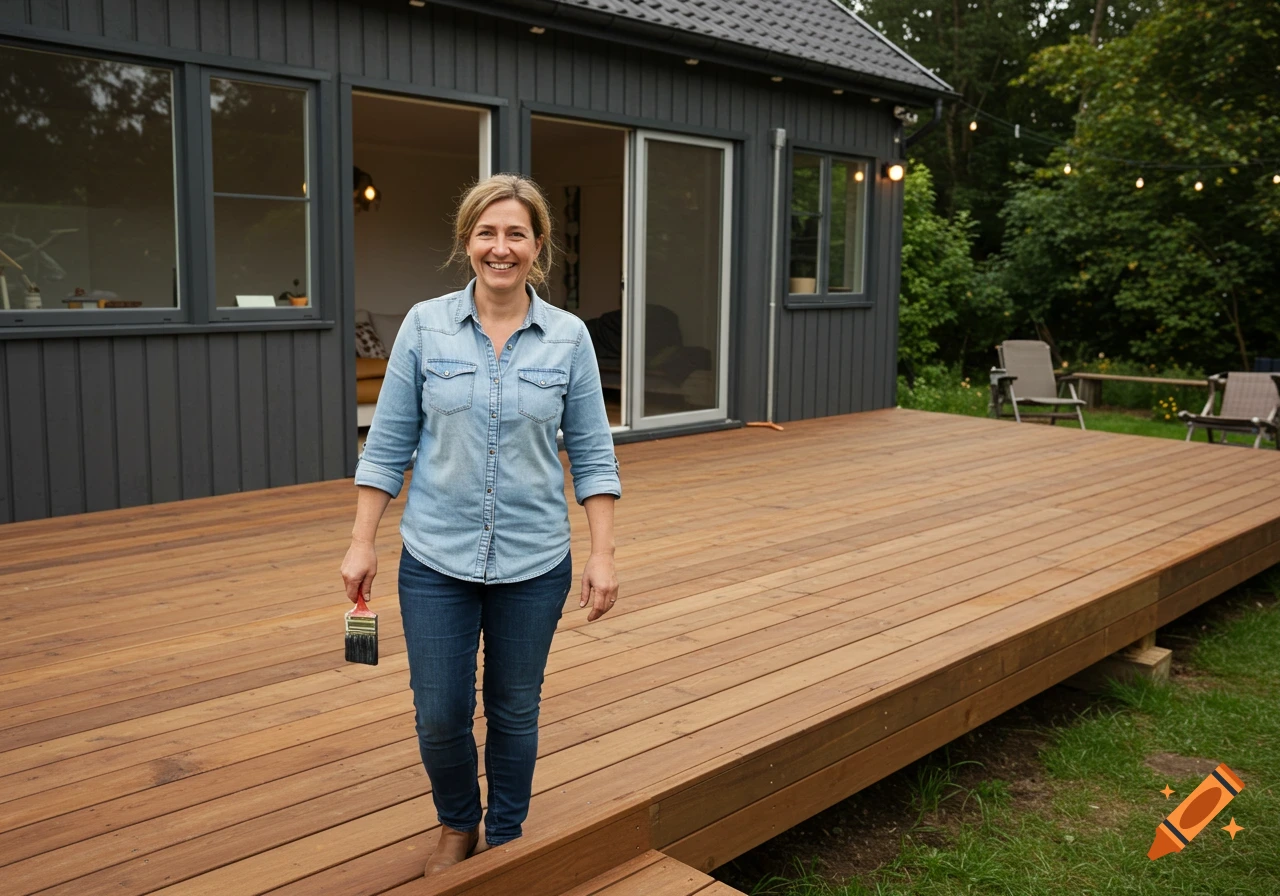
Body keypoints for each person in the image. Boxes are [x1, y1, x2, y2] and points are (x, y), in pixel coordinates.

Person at [340, 173, 621, 876]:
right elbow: (388, 443)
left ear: (537, 246)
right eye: (487, 233)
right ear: (467, 241)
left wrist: (603, 554)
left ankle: (506, 830)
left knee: (514, 709)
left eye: (516, 234)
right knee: (439, 712)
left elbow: (593, 454)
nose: (501, 248)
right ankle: (458, 822)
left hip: (534, 561)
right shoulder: (424, 326)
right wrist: (360, 541)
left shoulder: (569, 338)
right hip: (436, 557)